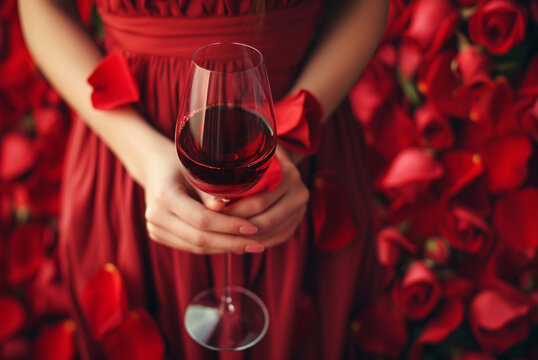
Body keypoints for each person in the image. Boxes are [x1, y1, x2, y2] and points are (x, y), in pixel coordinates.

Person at [18, 0, 388, 358]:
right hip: (128, 146)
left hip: (300, 139)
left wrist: (286, 148)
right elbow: (42, 6)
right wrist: (144, 157)